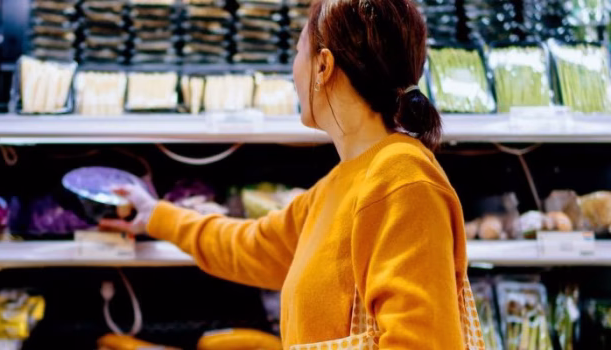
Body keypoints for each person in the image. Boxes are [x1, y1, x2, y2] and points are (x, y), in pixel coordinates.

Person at [105, 0, 484, 348]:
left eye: (299, 51)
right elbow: (250, 246)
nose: (293, 69)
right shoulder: (339, 185)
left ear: (323, 66)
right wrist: (155, 215)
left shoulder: (403, 181)